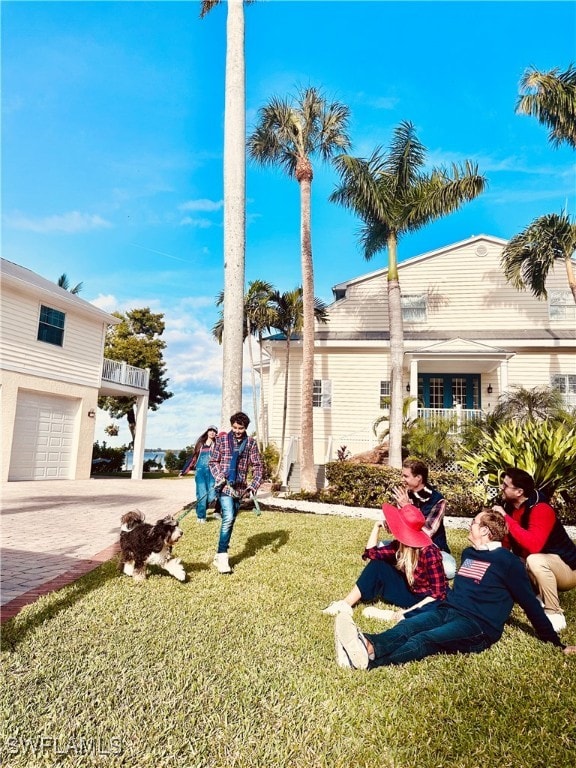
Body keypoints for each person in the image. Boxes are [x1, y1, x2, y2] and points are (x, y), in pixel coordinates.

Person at [334, 509, 576, 670]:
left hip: (478, 626)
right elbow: (454, 592)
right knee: (408, 626)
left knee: (427, 638)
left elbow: (531, 605)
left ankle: (369, 663)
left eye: (474, 523)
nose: (469, 526)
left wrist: (557, 643)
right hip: (449, 608)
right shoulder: (470, 554)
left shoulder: (508, 562)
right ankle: (366, 643)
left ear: (485, 531)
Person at [322, 503, 448, 621]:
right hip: (409, 593)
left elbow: (437, 594)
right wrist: (377, 526)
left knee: (439, 607)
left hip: (427, 599)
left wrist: (408, 611)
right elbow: (371, 554)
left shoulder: (430, 553)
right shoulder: (399, 546)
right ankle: (345, 604)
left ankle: (397, 616)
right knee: (378, 566)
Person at [492, 467, 576, 633]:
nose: (501, 487)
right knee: (509, 561)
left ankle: (554, 613)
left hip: (568, 569)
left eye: (505, 485)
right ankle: (538, 597)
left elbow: (534, 546)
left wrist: (506, 518)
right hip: (540, 564)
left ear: (519, 491)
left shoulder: (541, 509)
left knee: (534, 559)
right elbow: (506, 543)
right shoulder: (509, 507)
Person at [208, 411, 263, 574]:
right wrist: (219, 476)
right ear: (232, 426)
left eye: (241, 428)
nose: (238, 430)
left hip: (240, 489)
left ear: (246, 427)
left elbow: (258, 467)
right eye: (235, 427)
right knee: (229, 517)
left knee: (230, 521)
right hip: (225, 486)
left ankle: (219, 553)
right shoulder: (222, 440)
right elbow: (213, 461)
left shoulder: (251, 443)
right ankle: (223, 557)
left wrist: (253, 485)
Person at [393, 458, 456, 579]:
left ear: (418, 478)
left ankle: (413, 567)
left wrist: (407, 507)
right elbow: (398, 528)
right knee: (381, 546)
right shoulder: (405, 495)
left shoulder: (438, 500)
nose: (402, 480)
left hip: (432, 549)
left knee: (449, 569)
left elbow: (426, 533)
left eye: (406, 476)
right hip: (406, 548)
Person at [180, 426, 219, 523]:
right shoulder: (200, 445)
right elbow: (193, 459)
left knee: (211, 496)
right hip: (200, 472)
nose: (212, 432)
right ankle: (201, 516)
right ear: (207, 432)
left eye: (214, 431)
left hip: (212, 472)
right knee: (202, 495)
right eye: (210, 430)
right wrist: (184, 471)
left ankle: (200, 510)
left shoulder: (217, 445)